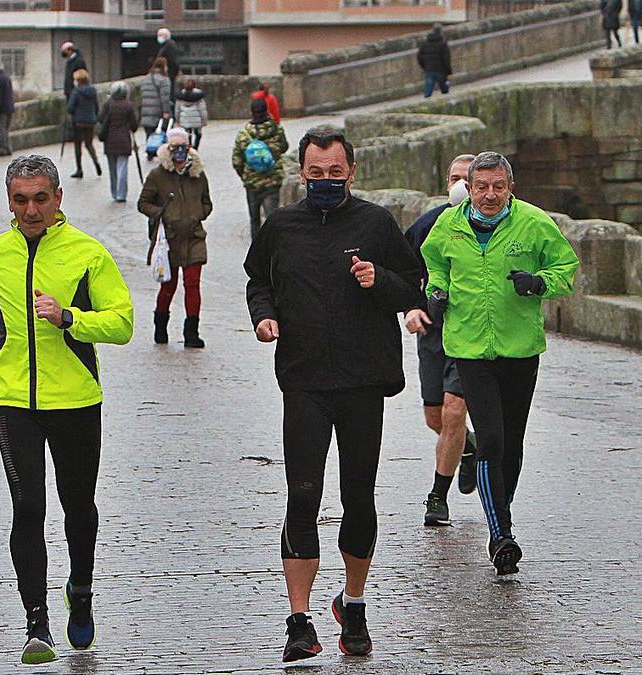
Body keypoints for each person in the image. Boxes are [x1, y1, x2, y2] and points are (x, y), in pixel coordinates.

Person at [0, 154, 133, 665]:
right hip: (13, 398)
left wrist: (69, 317)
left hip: (75, 398)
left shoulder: (87, 253)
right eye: (20, 200)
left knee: (78, 507)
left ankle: (82, 587)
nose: (30, 210)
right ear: (9, 201)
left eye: (40, 199)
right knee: (28, 508)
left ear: (57, 199)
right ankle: (37, 625)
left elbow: (122, 323)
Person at [244, 129, 421, 662]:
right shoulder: (281, 225)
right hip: (303, 379)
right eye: (316, 173)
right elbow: (257, 280)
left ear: (353, 170)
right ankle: (298, 621)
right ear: (302, 173)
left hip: (364, 378)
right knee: (302, 493)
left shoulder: (377, 223)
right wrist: (265, 315)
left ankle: (355, 605)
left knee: (357, 497)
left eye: (335, 172)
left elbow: (414, 286)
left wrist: (379, 280)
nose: (326, 180)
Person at [421, 151, 579, 575]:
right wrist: (435, 292)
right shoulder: (448, 226)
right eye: (481, 187)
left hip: (520, 349)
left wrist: (539, 283)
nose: (490, 195)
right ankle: (501, 534)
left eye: (499, 187)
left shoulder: (533, 222)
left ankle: (499, 513)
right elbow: (433, 264)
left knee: (511, 444)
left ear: (511, 188)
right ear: (468, 189)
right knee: (490, 439)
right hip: (469, 348)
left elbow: (567, 267)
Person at [402, 153, 479, 527]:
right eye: (454, 178)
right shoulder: (427, 225)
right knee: (436, 417)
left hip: (471, 333)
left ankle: (437, 496)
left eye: (468, 178)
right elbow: (405, 271)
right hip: (434, 333)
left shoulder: (497, 226)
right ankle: (468, 447)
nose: (461, 186)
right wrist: (411, 309)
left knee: (453, 411)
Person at [138, 127, 212, 348]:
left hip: (194, 238)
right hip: (168, 242)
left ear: (189, 148)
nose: (180, 152)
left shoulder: (198, 174)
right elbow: (143, 203)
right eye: (175, 148)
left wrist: (199, 213)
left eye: (184, 147)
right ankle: (160, 327)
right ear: (168, 149)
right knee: (168, 287)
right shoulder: (157, 175)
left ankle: (192, 332)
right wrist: (163, 214)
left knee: (193, 285)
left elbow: (207, 202)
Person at [232, 97, 289, 241]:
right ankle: (272, 249)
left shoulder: (244, 135)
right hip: (272, 181)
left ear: (251, 112)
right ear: (266, 111)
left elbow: (237, 160)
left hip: (252, 183)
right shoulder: (277, 130)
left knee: (254, 220)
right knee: (272, 219)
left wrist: (245, 175)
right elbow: (284, 148)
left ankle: (257, 252)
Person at [98, 81, 139, 203]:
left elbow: (100, 118)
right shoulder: (129, 105)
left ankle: (114, 192)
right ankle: (121, 194)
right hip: (124, 140)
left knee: (112, 169)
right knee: (122, 168)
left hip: (109, 140)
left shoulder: (108, 104)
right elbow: (134, 126)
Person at [66, 69, 101, 179]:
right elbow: (96, 106)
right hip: (90, 121)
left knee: (78, 145)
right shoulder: (93, 91)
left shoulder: (76, 91)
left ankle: (79, 169)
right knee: (89, 144)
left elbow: (70, 108)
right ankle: (96, 164)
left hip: (79, 122)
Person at [140, 59, 172, 161]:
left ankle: (150, 152)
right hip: (157, 111)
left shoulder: (146, 78)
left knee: (149, 134)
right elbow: (165, 97)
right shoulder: (163, 80)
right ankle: (159, 152)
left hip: (145, 110)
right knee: (160, 134)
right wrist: (166, 111)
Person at [417, 24, 453, 98]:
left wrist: (424, 67)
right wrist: (449, 72)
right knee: (445, 88)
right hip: (441, 70)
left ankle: (426, 101)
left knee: (428, 91)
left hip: (429, 69)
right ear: (441, 32)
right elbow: (446, 59)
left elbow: (419, 57)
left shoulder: (425, 44)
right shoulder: (443, 44)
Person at [0, 59, 16, 156]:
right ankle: (8, 148)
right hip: (9, 108)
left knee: (0, 130)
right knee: (5, 130)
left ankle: (2, 149)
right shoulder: (6, 77)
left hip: (1, 110)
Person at [173, 79, 208, 149]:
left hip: (184, 119)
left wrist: (177, 120)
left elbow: (177, 109)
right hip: (196, 119)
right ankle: (195, 148)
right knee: (198, 134)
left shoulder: (181, 95)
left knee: (187, 134)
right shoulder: (199, 95)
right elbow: (202, 109)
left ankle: (189, 148)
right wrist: (204, 120)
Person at [155, 28, 180, 102]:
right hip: (166, 75)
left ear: (166, 36)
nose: (158, 37)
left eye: (160, 35)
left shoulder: (169, 46)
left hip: (169, 75)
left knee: (169, 96)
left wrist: (172, 73)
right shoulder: (165, 46)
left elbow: (174, 61)